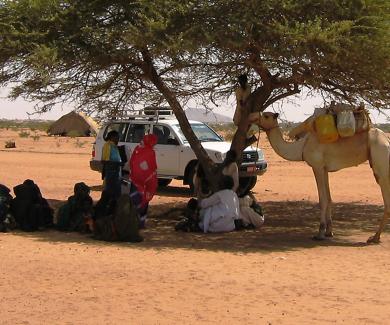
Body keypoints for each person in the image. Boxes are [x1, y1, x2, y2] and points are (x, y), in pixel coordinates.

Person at [101, 130, 122, 200]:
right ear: (112, 137)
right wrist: (118, 163)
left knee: (116, 190)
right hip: (110, 171)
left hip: (115, 170)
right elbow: (104, 161)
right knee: (110, 190)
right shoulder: (107, 145)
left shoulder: (114, 146)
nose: (118, 139)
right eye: (117, 137)